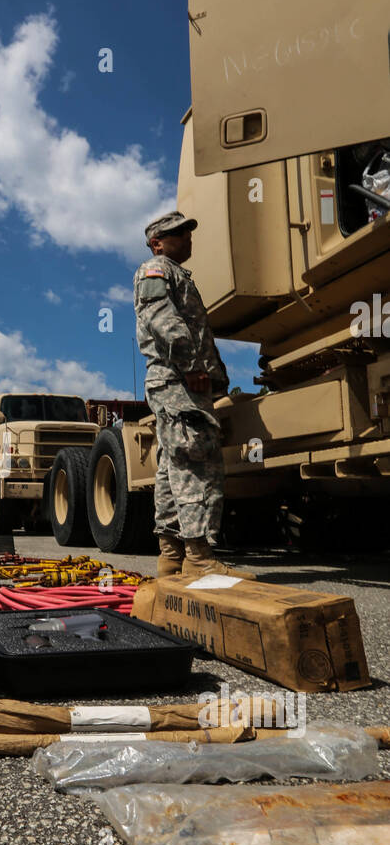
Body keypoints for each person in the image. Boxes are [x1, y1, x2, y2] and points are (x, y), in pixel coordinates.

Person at [134, 211, 254, 579]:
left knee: (173, 466)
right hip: (178, 380)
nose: (187, 240)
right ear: (157, 242)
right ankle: (199, 558)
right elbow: (162, 321)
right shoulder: (155, 269)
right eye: (177, 235)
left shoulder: (174, 273)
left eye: (188, 234)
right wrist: (192, 366)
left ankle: (171, 558)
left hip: (177, 382)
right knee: (198, 462)